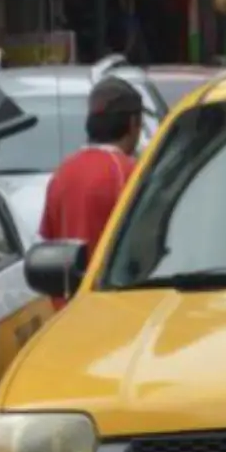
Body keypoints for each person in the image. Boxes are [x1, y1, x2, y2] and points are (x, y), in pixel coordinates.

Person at [39, 79, 144, 300]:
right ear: (134, 122)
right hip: (114, 307)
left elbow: (49, 244)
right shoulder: (128, 172)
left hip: (68, 312)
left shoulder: (61, 174)